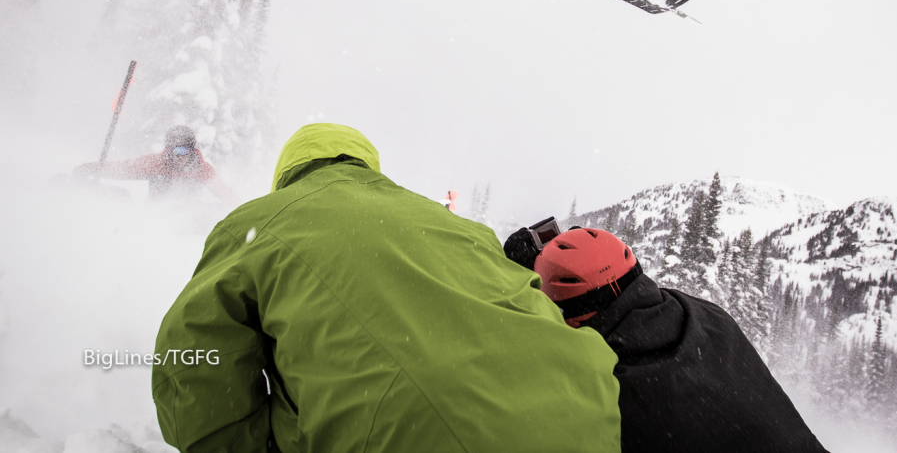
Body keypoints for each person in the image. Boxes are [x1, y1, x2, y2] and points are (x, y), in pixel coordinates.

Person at [151, 123, 621, 452]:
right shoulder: (452, 223)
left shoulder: (255, 224)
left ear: (287, 173)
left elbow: (189, 365)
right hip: (582, 420)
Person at [504, 225, 831, 453]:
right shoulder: (707, 316)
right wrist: (569, 260)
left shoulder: (611, 386)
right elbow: (607, 284)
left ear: (572, 318)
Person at [74, 125, 238, 204]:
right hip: (157, 218)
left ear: (192, 150)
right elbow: (123, 169)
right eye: (174, 150)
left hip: (188, 219)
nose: (178, 156)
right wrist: (91, 168)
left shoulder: (202, 170)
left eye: (183, 151)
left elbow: (224, 191)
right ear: (168, 149)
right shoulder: (156, 164)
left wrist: (241, 208)